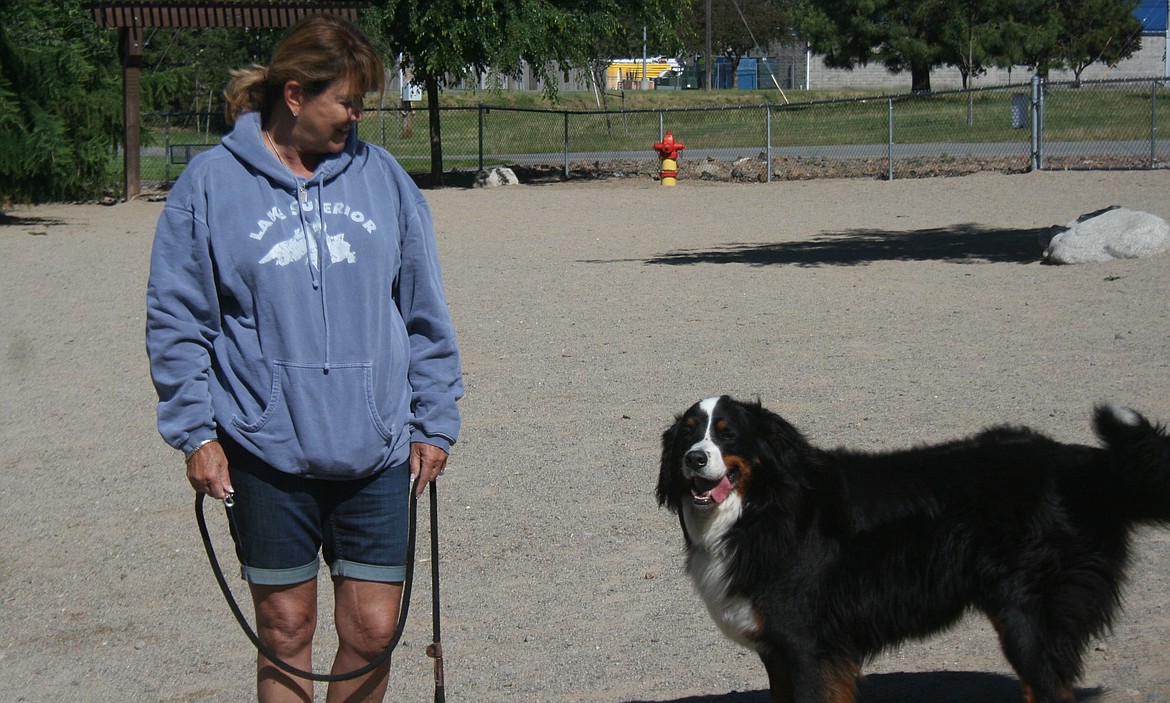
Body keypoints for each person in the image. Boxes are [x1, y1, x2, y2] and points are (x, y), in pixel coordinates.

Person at [145, 15, 463, 703]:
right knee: (286, 627)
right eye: (346, 101)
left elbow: (424, 311)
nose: (357, 115)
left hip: (375, 445)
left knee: (375, 628)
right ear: (294, 95)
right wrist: (196, 432)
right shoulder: (209, 185)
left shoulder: (384, 181)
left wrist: (434, 421)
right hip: (265, 449)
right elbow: (177, 319)